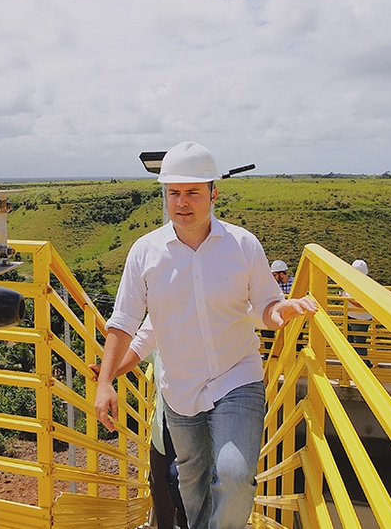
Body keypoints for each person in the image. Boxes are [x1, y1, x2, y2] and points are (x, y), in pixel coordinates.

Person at [94, 140, 317, 529]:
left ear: (213, 193)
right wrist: (105, 382)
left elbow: (265, 303)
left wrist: (278, 310)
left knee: (233, 473)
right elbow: (125, 320)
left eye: (193, 192)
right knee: (192, 485)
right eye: (174, 193)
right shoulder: (145, 253)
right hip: (180, 388)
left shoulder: (243, 245)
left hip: (237, 375)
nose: (182, 202)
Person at [92, 331, 188, 529]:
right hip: (162, 433)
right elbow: (137, 349)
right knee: (161, 487)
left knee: (181, 487)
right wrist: (107, 373)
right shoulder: (160, 333)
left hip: (190, 430)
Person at [343, 259, 374, 367]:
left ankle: (363, 364)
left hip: (359, 317)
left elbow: (364, 303)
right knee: (352, 340)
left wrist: (347, 299)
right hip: (353, 315)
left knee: (359, 342)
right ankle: (357, 364)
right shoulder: (366, 282)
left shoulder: (366, 284)